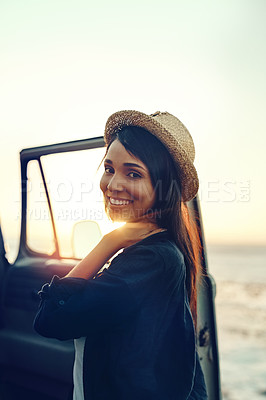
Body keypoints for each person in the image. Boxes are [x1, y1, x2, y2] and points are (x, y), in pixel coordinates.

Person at [33, 110, 208, 400]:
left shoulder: (154, 260)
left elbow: (50, 319)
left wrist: (109, 241)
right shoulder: (157, 251)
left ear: (164, 189)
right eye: (109, 168)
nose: (112, 185)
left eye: (133, 173)